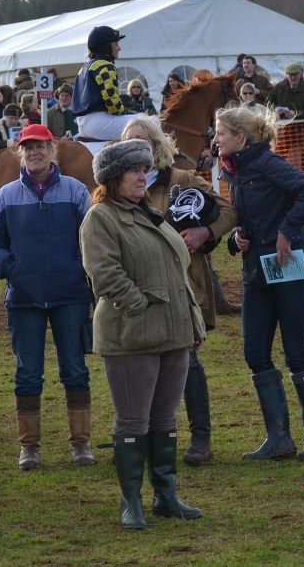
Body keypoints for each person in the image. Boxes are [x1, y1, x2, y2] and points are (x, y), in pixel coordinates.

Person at [79, 139, 206, 530]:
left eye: (144, 170)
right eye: (134, 171)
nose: (142, 176)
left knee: (165, 419)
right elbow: (105, 275)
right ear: (113, 179)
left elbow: (177, 270)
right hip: (131, 336)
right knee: (133, 421)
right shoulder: (100, 218)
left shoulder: (151, 213)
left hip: (174, 334)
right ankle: (130, 501)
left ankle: (165, 495)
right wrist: (140, 306)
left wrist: (191, 322)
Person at [121, 116, 238, 466]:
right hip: (139, 290)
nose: (137, 148)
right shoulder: (117, 188)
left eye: (143, 141)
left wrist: (206, 233)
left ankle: (200, 437)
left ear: (157, 145)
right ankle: (145, 437)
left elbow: (229, 210)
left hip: (185, 287)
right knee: (141, 366)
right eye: (130, 142)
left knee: (187, 361)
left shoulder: (182, 179)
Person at [0, 124, 96, 471]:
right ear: (21, 153)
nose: (34, 153)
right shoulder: (6, 196)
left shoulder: (76, 192)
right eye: (28, 148)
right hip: (24, 297)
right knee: (28, 374)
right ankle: (29, 447)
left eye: (40, 147)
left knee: (75, 370)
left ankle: (81, 443)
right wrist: (9, 267)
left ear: (52, 151)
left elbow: (93, 237)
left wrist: (80, 270)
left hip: (70, 295)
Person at [213, 105, 304, 462]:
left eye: (220, 134)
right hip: (256, 272)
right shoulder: (235, 170)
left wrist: (286, 232)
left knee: (295, 350)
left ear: (240, 138)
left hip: (288, 265)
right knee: (254, 352)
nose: (215, 139)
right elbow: (245, 219)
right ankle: (278, 439)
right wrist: (236, 239)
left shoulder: (266, 163)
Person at [72, 25, 131, 140]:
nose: (119, 48)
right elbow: (114, 106)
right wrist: (126, 112)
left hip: (82, 124)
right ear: (106, 46)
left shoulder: (85, 67)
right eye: (116, 44)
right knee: (150, 122)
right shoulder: (105, 65)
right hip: (99, 122)